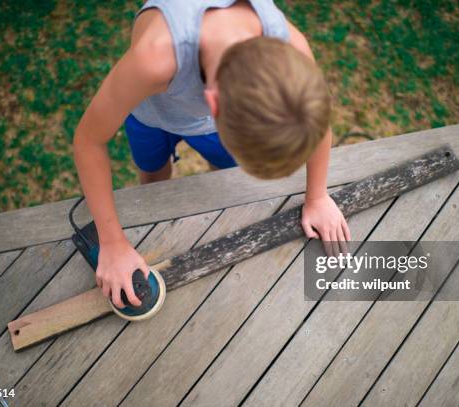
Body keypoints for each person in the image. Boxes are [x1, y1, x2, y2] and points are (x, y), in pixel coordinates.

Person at [73, 0, 351, 309]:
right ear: (213, 106)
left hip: (205, 118)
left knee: (222, 170)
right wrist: (111, 244)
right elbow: (88, 141)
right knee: (153, 175)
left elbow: (318, 120)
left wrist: (317, 197)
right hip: (151, 116)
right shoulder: (154, 58)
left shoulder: (290, 44)